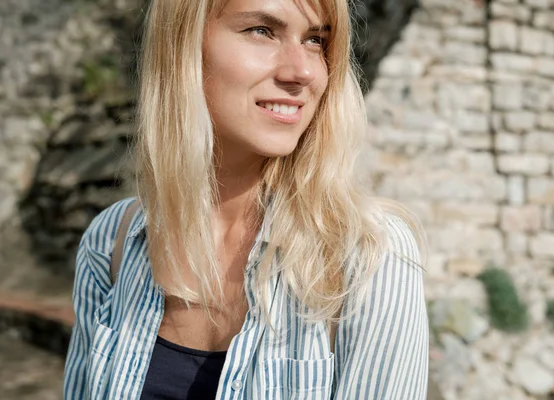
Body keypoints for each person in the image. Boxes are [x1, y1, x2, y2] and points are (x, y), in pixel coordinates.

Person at [63, 0, 429, 398]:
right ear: (183, 45)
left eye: (315, 40)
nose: (302, 71)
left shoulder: (368, 257)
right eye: (262, 31)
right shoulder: (113, 245)